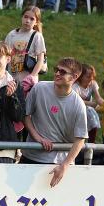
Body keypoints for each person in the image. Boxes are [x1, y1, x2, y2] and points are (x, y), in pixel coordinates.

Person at [21, 57, 88, 186]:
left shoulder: (78, 105)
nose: (57, 73)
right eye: (56, 69)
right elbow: (25, 116)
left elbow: (80, 140)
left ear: (74, 77)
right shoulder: (39, 88)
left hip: (59, 164)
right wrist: (39, 138)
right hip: (31, 156)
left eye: (62, 72)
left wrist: (65, 166)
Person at [5, 5, 46, 84]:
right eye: (25, 17)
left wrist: (31, 77)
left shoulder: (37, 36)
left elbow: (40, 60)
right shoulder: (12, 34)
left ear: (36, 22)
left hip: (28, 81)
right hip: (10, 79)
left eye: (32, 19)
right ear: (22, 17)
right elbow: (4, 55)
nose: (27, 21)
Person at [73, 63, 104, 145]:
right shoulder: (75, 87)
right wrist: (92, 104)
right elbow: (77, 101)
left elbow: (98, 97)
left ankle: (91, 144)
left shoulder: (93, 84)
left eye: (92, 76)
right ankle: (78, 144)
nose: (91, 78)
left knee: (92, 117)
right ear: (81, 76)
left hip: (89, 111)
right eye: (88, 76)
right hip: (77, 110)